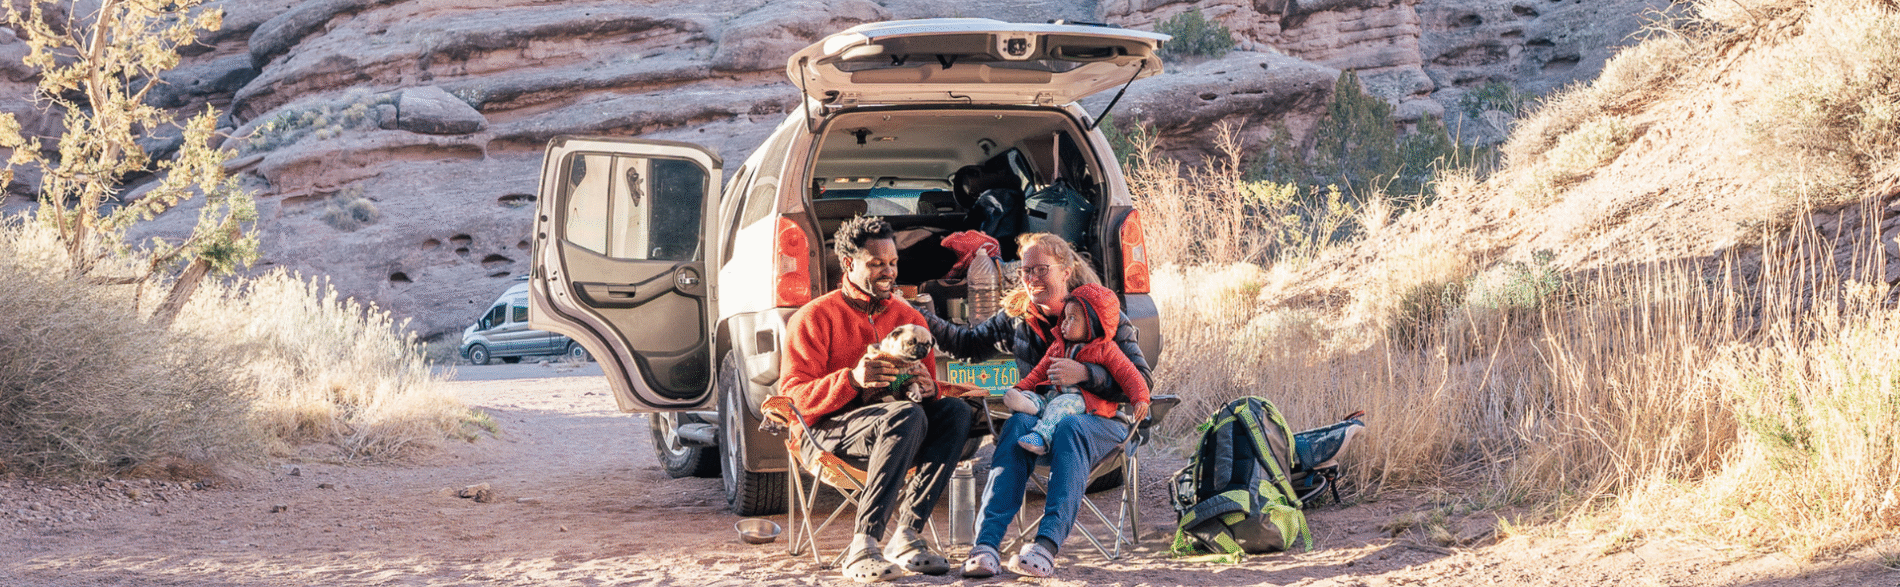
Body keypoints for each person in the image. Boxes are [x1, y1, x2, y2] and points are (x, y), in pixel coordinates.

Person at [918, 232, 1153, 578]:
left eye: (1041, 269)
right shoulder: (1019, 316)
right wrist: (923, 316)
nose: (1031, 279)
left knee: (1071, 428)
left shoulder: (1102, 314)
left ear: (1066, 270)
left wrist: (1087, 373)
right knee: (1015, 426)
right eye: (1025, 272)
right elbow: (967, 344)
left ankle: (1045, 546)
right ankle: (985, 547)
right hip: (1042, 421)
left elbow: (1142, 381)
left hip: (1099, 421)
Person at [778, 215, 973, 583]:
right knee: (905, 416)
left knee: (956, 412)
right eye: (877, 264)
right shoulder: (813, 317)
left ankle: (908, 535)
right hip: (825, 433)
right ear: (849, 264)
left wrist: (931, 390)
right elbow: (792, 398)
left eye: (893, 263)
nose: (889, 273)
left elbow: (926, 392)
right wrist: (851, 380)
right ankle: (862, 547)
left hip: (896, 431)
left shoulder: (910, 317)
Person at [1005, 283, 1151, 456]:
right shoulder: (1058, 347)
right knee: (1041, 399)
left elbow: (1129, 374)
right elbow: (1038, 372)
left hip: (1083, 402)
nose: (1065, 322)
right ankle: (1031, 405)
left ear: (1092, 323)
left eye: (1072, 318)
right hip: (1055, 396)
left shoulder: (1106, 349)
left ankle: (1041, 437)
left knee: (1060, 405)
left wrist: (1140, 398)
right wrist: (1021, 389)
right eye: (1065, 317)